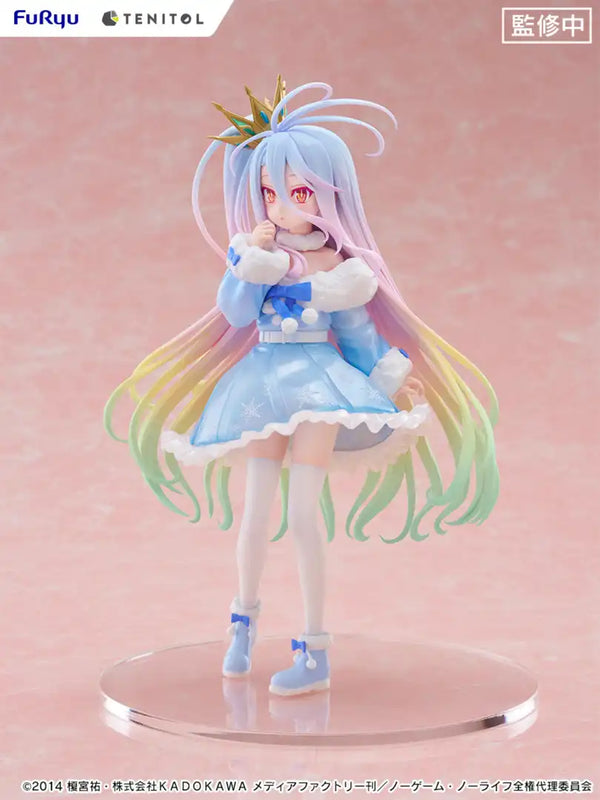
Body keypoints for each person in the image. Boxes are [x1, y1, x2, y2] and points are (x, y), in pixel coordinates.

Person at [104, 77, 499, 696]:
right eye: (269, 192)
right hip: (262, 383)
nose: (280, 206)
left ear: (327, 196)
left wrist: (390, 378)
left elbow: (359, 334)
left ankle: (315, 650)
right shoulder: (258, 255)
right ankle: (241, 625)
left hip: (318, 388)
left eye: (297, 192)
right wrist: (249, 262)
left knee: (302, 514)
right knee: (256, 512)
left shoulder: (342, 270)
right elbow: (237, 312)